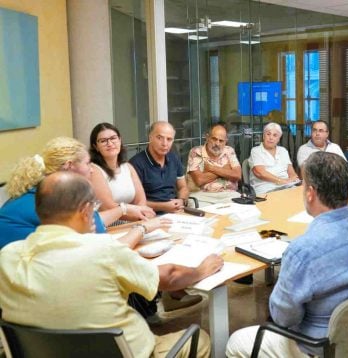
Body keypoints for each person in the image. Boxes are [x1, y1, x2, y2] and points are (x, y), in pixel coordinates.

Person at [0, 172, 223, 358]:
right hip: (128, 353)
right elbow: (170, 277)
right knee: (200, 339)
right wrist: (202, 269)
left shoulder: (7, 258)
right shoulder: (103, 250)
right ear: (85, 210)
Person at [226, 152, 348, 357]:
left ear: (310, 193)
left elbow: (284, 318)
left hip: (319, 347)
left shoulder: (302, 251)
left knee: (236, 342)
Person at [0, 137, 142, 248]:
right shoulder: (54, 200)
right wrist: (142, 229)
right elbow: (100, 242)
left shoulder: (37, 192)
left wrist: (123, 209)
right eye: (87, 163)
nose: (91, 169)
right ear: (69, 166)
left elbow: (91, 221)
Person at [89, 122, 156, 221]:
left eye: (113, 138)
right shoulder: (94, 170)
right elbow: (107, 207)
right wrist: (139, 215)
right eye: (103, 141)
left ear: (120, 140)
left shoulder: (127, 167)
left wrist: (141, 214)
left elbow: (141, 200)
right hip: (109, 225)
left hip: (134, 220)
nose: (110, 144)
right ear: (96, 146)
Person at [130, 122, 189, 214]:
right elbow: (134, 202)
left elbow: (183, 187)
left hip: (176, 212)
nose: (164, 143)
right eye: (159, 138)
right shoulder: (135, 164)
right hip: (149, 216)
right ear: (150, 137)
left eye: (169, 139)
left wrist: (181, 200)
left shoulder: (174, 158)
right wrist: (164, 206)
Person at [187, 123, 242, 201]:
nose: (217, 143)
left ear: (226, 141)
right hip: (202, 196)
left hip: (229, 194)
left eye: (221, 141)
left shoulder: (229, 151)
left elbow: (237, 175)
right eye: (214, 139)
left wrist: (211, 168)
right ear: (207, 137)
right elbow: (200, 180)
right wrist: (224, 170)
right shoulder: (196, 152)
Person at [248, 122, 299, 195]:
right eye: (268, 134)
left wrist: (294, 179)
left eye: (275, 135)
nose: (271, 138)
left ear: (278, 139)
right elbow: (260, 173)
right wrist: (282, 181)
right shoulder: (256, 151)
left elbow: (291, 173)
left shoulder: (283, 151)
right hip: (266, 188)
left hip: (286, 187)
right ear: (263, 136)